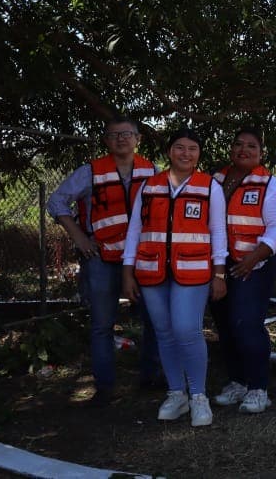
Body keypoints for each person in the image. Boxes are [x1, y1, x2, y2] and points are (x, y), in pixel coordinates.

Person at [47, 116, 161, 407]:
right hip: (102, 258)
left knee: (154, 320)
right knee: (101, 325)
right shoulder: (89, 173)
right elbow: (57, 201)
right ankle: (105, 387)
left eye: (127, 134)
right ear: (106, 141)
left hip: (142, 259)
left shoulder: (154, 172)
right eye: (113, 135)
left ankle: (151, 377)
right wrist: (80, 238)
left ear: (138, 139)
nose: (121, 139)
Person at [122, 128, 228, 426]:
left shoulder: (210, 187)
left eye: (192, 148)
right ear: (169, 151)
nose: (186, 153)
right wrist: (127, 272)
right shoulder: (149, 186)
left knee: (187, 330)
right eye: (179, 147)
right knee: (164, 333)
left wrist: (219, 273)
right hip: (151, 270)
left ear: (199, 154)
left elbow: (218, 232)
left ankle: (198, 396)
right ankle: (176, 393)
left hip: (193, 271)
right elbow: (134, 231)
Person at [210, 128, 276, 414]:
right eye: (238, 144)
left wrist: (252, 258)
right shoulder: (215, 181)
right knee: (225, 325)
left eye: (251, 146)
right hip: (220, 264)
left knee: (246, 324)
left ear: (261, 153)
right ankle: (237, 382)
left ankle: (258, 388)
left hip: (254, 266)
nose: (243, 149)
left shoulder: (270, 185)